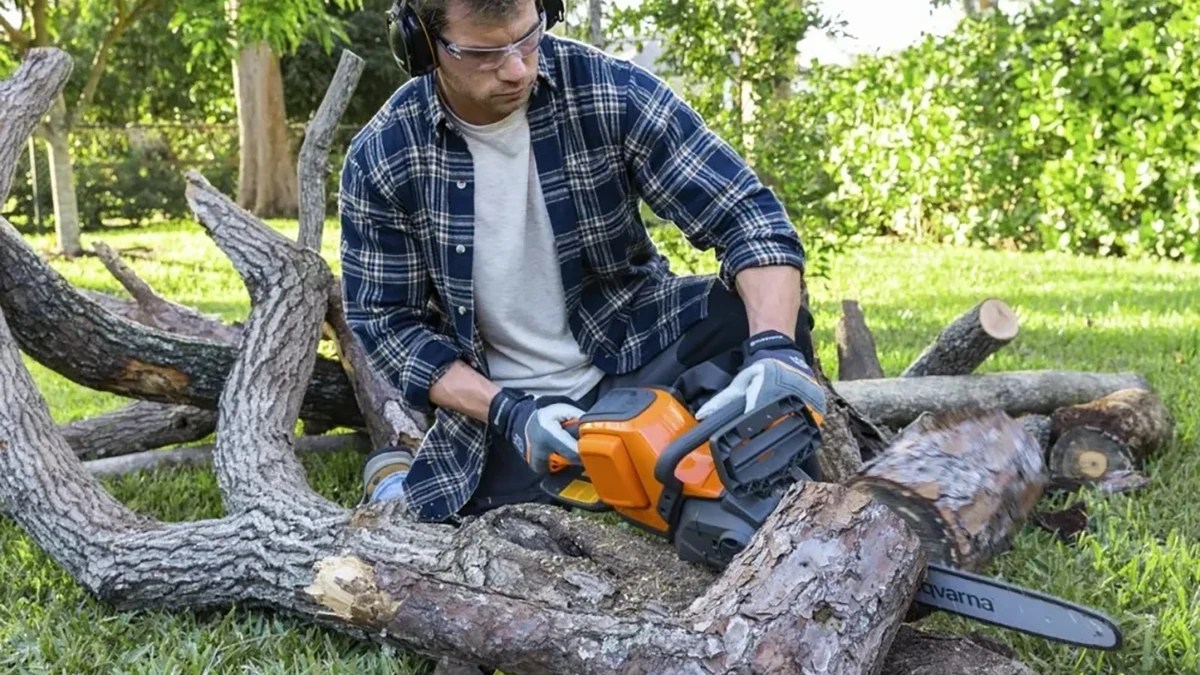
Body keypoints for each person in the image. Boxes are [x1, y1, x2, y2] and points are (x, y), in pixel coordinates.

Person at [339, 0, 827, 524]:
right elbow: (389, 324)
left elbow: (747, 217)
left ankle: (781, 489)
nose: (518, 68)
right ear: (420, 45)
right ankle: (394, 478)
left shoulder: (607, 89)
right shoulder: (383, 156)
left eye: (528, 37)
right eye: (485, 53)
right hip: (510, 414)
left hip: (636, 351)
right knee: (443, 525)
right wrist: (510, 413)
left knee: (755, 317)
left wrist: (776, 349)